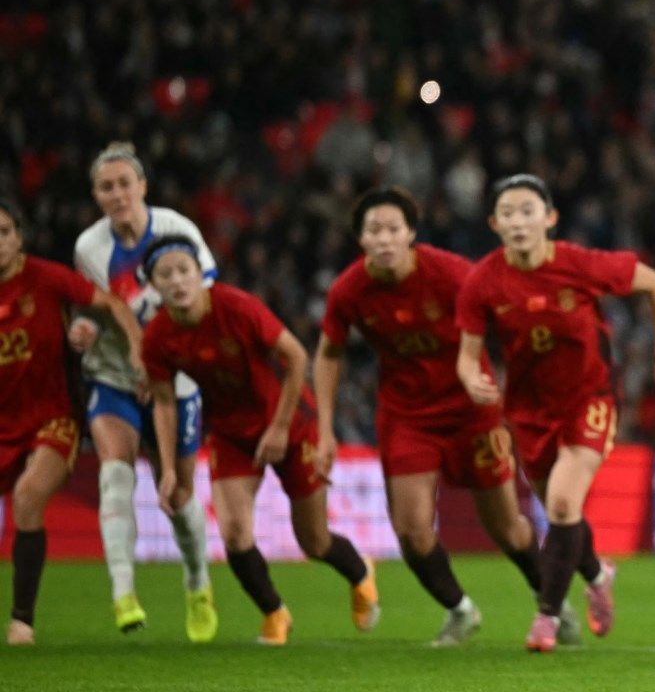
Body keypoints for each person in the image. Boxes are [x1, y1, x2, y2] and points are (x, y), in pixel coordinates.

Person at [317, 186, 580, 646]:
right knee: (411, 532)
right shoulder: (349, 291)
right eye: (373, 230)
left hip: (471, 412)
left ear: (411, 234)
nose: (383, 239)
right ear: (360, 239)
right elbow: (328, 354)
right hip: (407, 418)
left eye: (393, 229)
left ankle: (551, 605)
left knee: (508, 529)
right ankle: (459, 610)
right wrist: (323, 428)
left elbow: (509, 319)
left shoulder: (453, 275)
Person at [456, 174, 655, 652]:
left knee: (561, 504)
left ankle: (545, 619)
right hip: (527, 411)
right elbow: (467, 352)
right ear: (494, 224)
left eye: (528, 210)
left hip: (590, 398)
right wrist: (469, 376)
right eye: (509, 213)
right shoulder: (483, 280)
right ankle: (598, 574)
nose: (519, 221)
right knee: (562, 511)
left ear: (550, 218)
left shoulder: (580, 264)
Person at [140, 236, 380, 645]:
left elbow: (297, 358)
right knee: (234, 534)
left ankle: (360, 573)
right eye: (167, 274)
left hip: (290, 423)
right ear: (153, 285)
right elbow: (163, 403)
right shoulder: (158, 338)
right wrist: (164, 468)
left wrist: (280, 428)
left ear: (201, 274)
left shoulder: (236, 307)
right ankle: (274, 613)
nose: (178, 281)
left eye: (185, 271)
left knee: (314, 540)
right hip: (233, 434)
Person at [68, 142, 219, 638]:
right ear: (95, 195)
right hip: (114, 375)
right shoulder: (90, 249)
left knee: (175, 494)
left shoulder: (178, 231)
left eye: (124, 184)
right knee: (115, 475)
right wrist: (85, 326)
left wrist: (161, 352)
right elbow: (95, 304)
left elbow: (205, 299)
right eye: (106, 187)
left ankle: (197, 583)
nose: (116, 194)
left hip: (173, 380)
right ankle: (123, 594)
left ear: (142, 188)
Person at [1, 200, 148, 645]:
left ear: (19, 238)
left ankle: (22, 621)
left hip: (53, 418)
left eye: (4, 231)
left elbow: (111, 305)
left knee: (28, 498)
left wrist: (135, 350)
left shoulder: (46, 278)